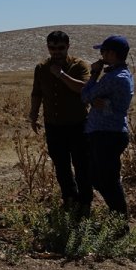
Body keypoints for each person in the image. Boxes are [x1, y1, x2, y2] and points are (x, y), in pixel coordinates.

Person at [29, 31, 91, 210]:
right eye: (52, 48)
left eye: (60, 48)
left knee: (81, 165)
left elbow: (83, 89)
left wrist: (61, 75)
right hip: (54, 125)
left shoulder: (79, 66)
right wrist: (33, 114)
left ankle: (85, 202)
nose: (56, 52)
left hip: (78, 124)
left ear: (68, 46)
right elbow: (37, 93)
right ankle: (69, 200)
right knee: (61, 165)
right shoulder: (41, 68)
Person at [81, 35, 134, 223]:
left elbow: (85, 95)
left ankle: (120, 224)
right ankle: (117, 219)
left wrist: (94, 73)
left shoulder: (114, 78)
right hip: (105, 133)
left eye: (103, 51)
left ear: (112, 53)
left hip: (107, 135)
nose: (101, 55)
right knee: (99, 177)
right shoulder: (119, 74)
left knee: (107, 181)